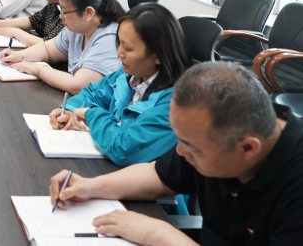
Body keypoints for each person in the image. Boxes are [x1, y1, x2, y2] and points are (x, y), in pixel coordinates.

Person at [49, 62, 303, 246]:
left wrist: (160, 235)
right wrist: (90, 186)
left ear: (247, 148)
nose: (180, 151)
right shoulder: (216, 135)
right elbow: (158, 175)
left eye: (191, 146)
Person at [48, 3, 192, 166]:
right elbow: (94, 93)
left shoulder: (174, 105)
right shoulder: (130, 74)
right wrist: (70, 109)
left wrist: (92, 114)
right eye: (120, 43)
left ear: (158, 55)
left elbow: (125, 149)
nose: (119, 53)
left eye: (128, 48)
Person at [0, 0, 123, 95]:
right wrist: (20, 55)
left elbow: (78, 86)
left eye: (64, 11)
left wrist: (37, 69)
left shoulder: (109, 39)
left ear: (88, 13)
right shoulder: (78, 29)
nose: (60, 16)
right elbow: (48, 50)